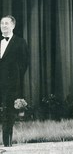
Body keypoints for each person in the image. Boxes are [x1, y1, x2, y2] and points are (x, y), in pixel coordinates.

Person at [0, 15, 29, 147]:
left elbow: (24, 63)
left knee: (8, 113)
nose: (4, 25)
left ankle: (7, 143)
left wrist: (14, 77)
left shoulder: (20, 42)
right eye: (2, 23)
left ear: (13, 26)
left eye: (6, 23)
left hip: (10, 83)